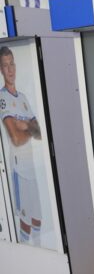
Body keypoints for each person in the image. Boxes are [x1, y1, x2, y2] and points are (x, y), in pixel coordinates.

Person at [0, 46, 43, 246]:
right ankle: (28, 259)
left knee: (38, 219)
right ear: (1, 69)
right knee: (25, 222)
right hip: (19, 171)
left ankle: (41, 254)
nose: (10, 69)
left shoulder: (23, 98)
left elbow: (39, 132)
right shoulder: (3, 99)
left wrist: (24, 126)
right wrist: (28, 128)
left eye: (12, 64)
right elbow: (15, 139)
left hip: (32, 168)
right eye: (5, 65)